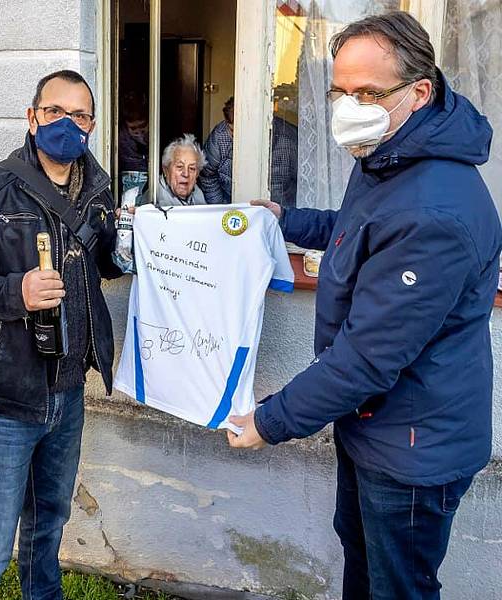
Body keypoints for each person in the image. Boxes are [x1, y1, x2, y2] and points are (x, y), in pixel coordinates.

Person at [230, 12, 502, 600]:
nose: (349, 106)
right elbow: (358, 229)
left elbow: (367, 359)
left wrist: (270, 422)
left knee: (397, 587)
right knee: (364, 561)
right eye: (340, 92)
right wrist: (288, 220)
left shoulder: (433, 209)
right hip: (378, 428)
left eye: (369, 93)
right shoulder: (393, 154)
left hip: (412, 448)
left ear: (419, 92)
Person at [0, 69, 121, 600]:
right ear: (32, 117)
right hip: (5, 397)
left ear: (92, 125)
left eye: (81, 114)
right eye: (55, 112)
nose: (68, 123)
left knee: (48, 529)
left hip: (68, 393)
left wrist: (131, 242)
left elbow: (102, 266)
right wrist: (14, 293)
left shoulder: (100, 187)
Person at [134, 133, 208, 207]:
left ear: (197, 174)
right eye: (179, 166)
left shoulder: (198, 193)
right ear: (166, 170)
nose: (186, 174)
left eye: (192, 168)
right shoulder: (154, 196)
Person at [198, 96, 234, 204]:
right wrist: (218, 208)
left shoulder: (282, 137)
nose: (235, 135)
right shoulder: (219, 136)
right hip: (227, 198)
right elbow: (207, 175)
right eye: (232, 130)